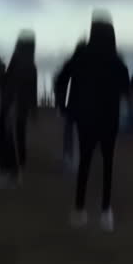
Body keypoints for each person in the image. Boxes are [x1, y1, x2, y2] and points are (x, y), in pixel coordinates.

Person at [62, 13, 129, 231]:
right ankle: (105, 211)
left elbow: (62, 78)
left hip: (85, 117)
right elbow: (126, 90)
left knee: (85, 163)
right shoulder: (117, 61)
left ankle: (80, 209)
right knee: (107, 164)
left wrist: (64, 106)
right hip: (109, 119)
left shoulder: (81, 55)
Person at [0, 31, 38, 184]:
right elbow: (32, 90)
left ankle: (11, 169)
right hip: (22, 106)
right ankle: (19, 166)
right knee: (19, 134)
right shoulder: (31, 65)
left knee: (7, 135)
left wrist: (0, 71)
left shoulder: (16, 61)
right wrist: (33, 110)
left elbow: (7, 82)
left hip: (10, 104)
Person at [54, 39, 86, 172]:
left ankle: (69, 160)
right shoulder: (96, 63)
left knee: (69, 133)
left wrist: (61, 104)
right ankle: (78, 161)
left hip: (73, 105)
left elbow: (60, 82)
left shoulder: (72, 62)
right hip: (90, 106)